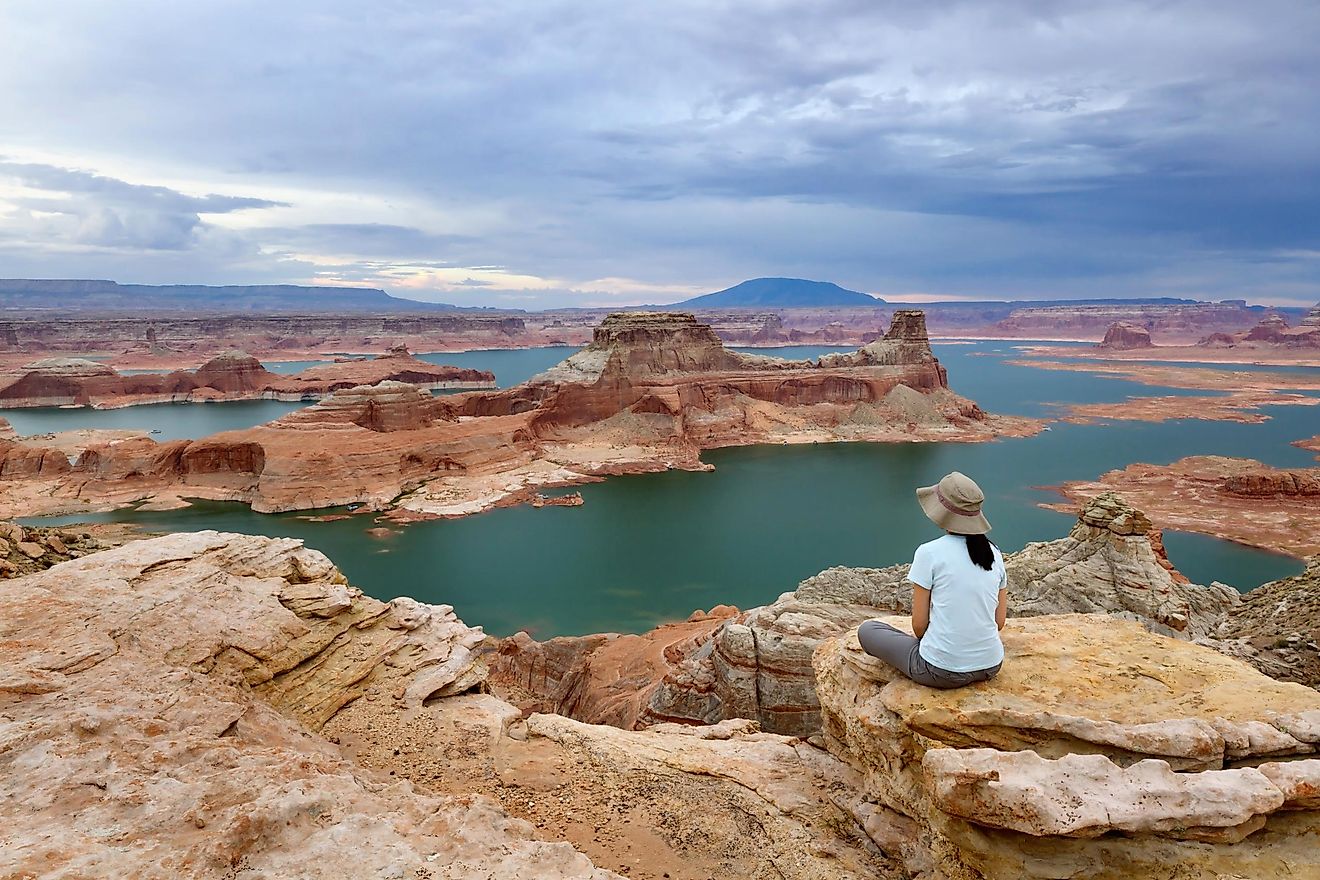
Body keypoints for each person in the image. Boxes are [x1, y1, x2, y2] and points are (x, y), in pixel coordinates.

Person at [858, 471, 1007, 688]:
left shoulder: (929, 553)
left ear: (942, 511)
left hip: (940, 671)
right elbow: (999, 622)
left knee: (868, 630)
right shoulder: (994, 553)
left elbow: (919, 626)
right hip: (991, 665)